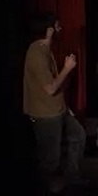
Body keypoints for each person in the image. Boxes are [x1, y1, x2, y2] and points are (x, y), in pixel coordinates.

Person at [23, 12, 85, 184]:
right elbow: (50, 88)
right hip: (46, 113)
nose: (60, 29)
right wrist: (67, 68)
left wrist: (66, 107)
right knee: (50, 159)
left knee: (78, 135)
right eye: (57, 26)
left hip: (58, 109)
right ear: (49, 30)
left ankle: (72, 177)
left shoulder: (44, 49)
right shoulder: (37, 53)